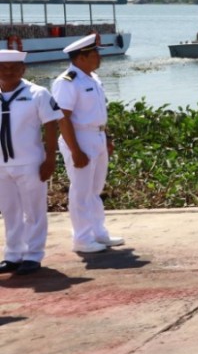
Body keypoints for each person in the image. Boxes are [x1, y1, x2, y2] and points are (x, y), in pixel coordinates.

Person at [52, 34, 123, 254]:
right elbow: (63, 118)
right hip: (80, 137)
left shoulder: (92, 78)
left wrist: (107, 137)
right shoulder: (67, 81)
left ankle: (98, 232)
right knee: (81, 190)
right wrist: (75, 150)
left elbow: (98, 112)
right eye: (95, 53)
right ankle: (82, 238)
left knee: (95, 188)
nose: (99, 57)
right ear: (81, 57)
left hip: (97, 136)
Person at [0, 49, 62, 275]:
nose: (8, 72)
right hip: (1, 164)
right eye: (3, 68)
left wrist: (50, 158)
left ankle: (33, 255)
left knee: (34, 210)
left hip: (30, 162)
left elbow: (51, 125)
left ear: (23, 69)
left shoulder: (38, 93)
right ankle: (13, 255)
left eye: (14, 67)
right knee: (9, 211)